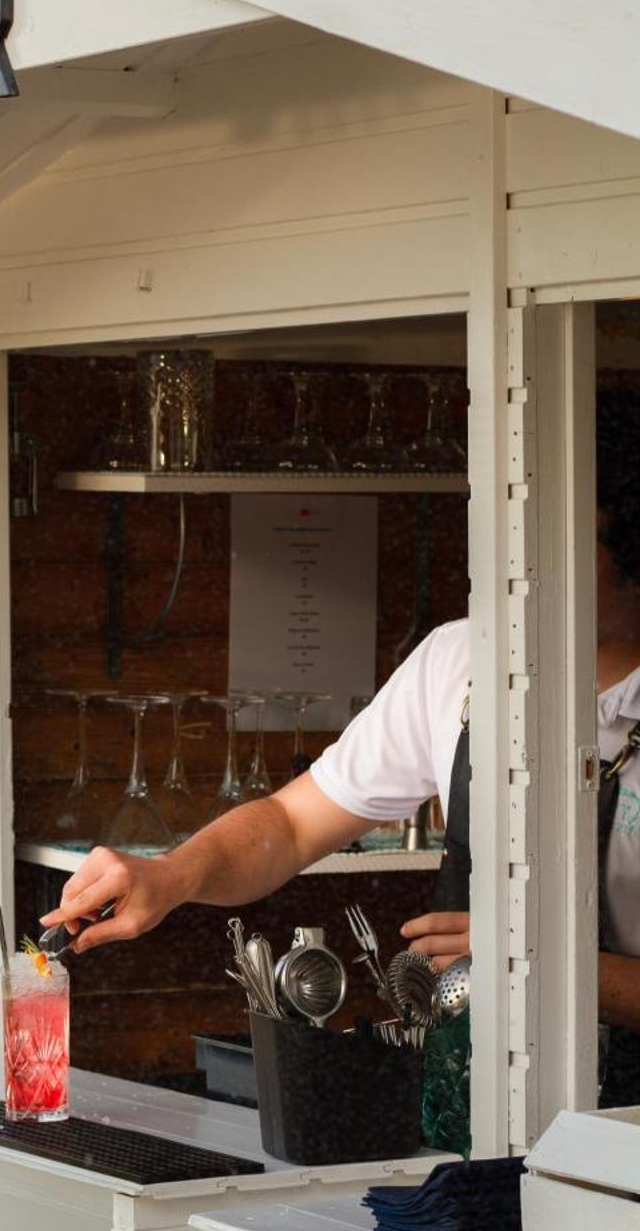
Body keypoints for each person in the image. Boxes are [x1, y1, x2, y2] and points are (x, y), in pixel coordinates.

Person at [41, 387, 640, 1091]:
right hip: (483, 1101)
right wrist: (173, 874)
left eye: (557, 537)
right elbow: (291, 823)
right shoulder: (461, 661)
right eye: (511, 520)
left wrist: (541, 959)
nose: (520, 557)